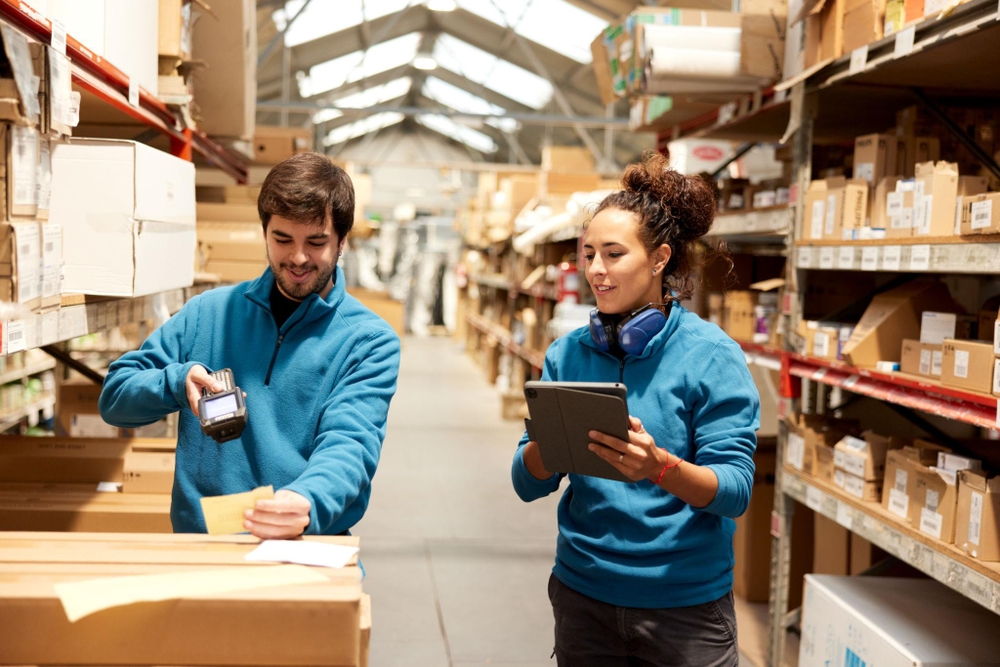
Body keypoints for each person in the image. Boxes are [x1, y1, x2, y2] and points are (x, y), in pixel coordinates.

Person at [511, 151, 759, 666]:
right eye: (589, 255)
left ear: (660, 259)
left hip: (684, 608)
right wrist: (552, 444)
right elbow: (526, 482)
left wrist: (658, 467)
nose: (596, 271)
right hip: (583, 597)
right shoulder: (567, 354)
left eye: (614, 254)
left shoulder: (711, 356)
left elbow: (734, 491)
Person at [100, 153, 401, 539]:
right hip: (204, 547)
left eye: (316, 242)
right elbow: (115, 397)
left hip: (302, 543)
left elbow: (350, 443)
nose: (297, 257)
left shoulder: (368, 341)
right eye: (282, 239)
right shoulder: (209, 312)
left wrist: (305, 500)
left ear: (342, 242)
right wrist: (175, 383)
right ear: (264, 233)